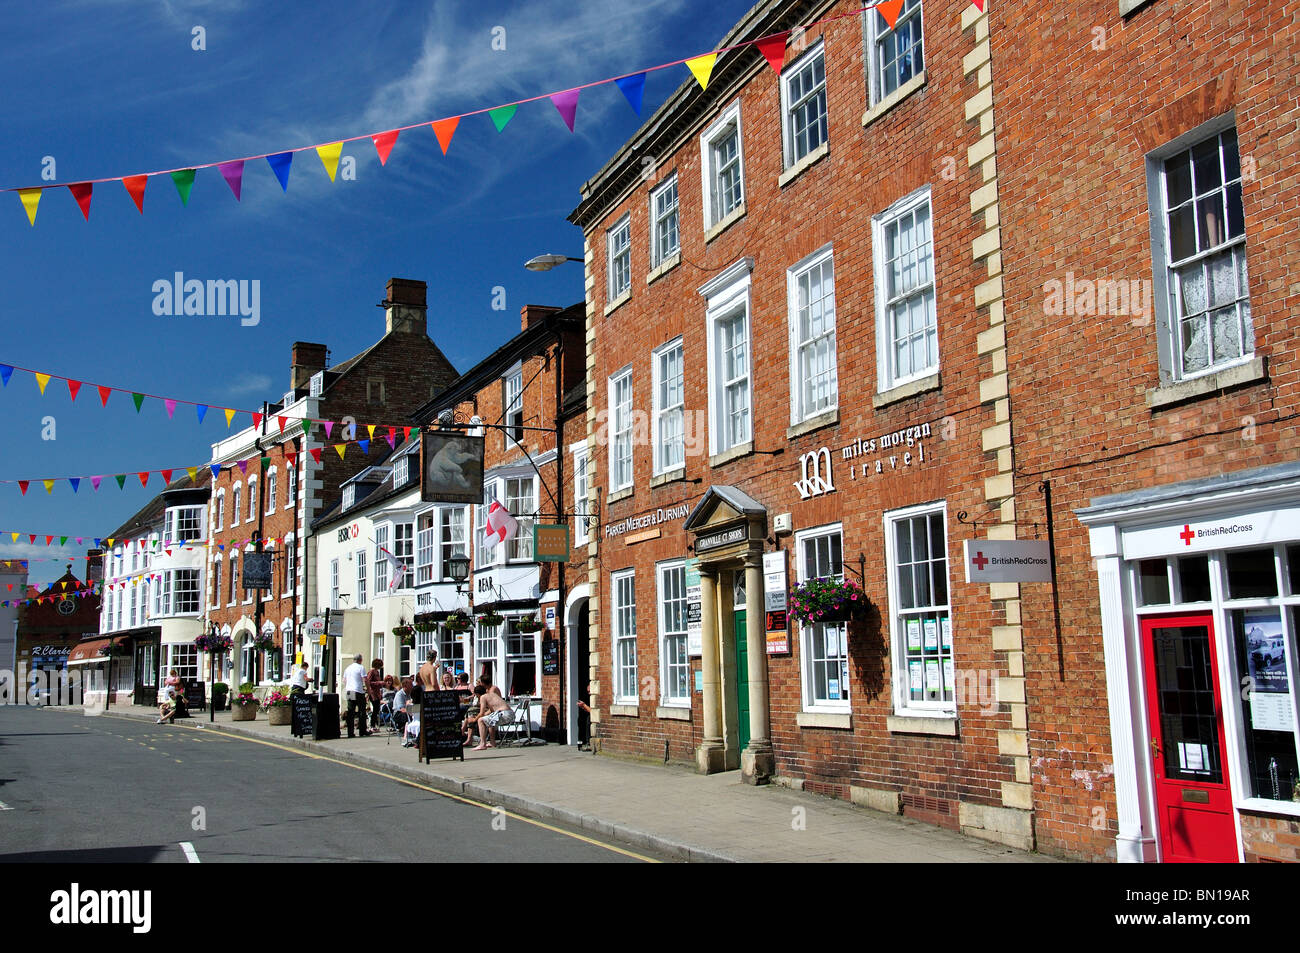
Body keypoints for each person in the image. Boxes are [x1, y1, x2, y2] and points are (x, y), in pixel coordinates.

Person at [343, 653, 371, 738]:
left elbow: (344, 680)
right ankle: (362, 731)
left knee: (350, 712)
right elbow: (365, 679)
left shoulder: (348, 668)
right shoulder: (360, 667)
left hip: (349, 691)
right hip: (358, 691)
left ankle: (350, 733)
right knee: (362, 711)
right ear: (360, 660)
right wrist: (368, 689)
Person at [367, 659, 385, 730]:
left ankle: (374, 724)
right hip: (372, 693)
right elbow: (369, 682)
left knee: (377, 709)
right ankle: (372, 725)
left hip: (377, 693)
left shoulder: (377, 672)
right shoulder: (372, 671)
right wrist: (379, 683)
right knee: (375, 709)